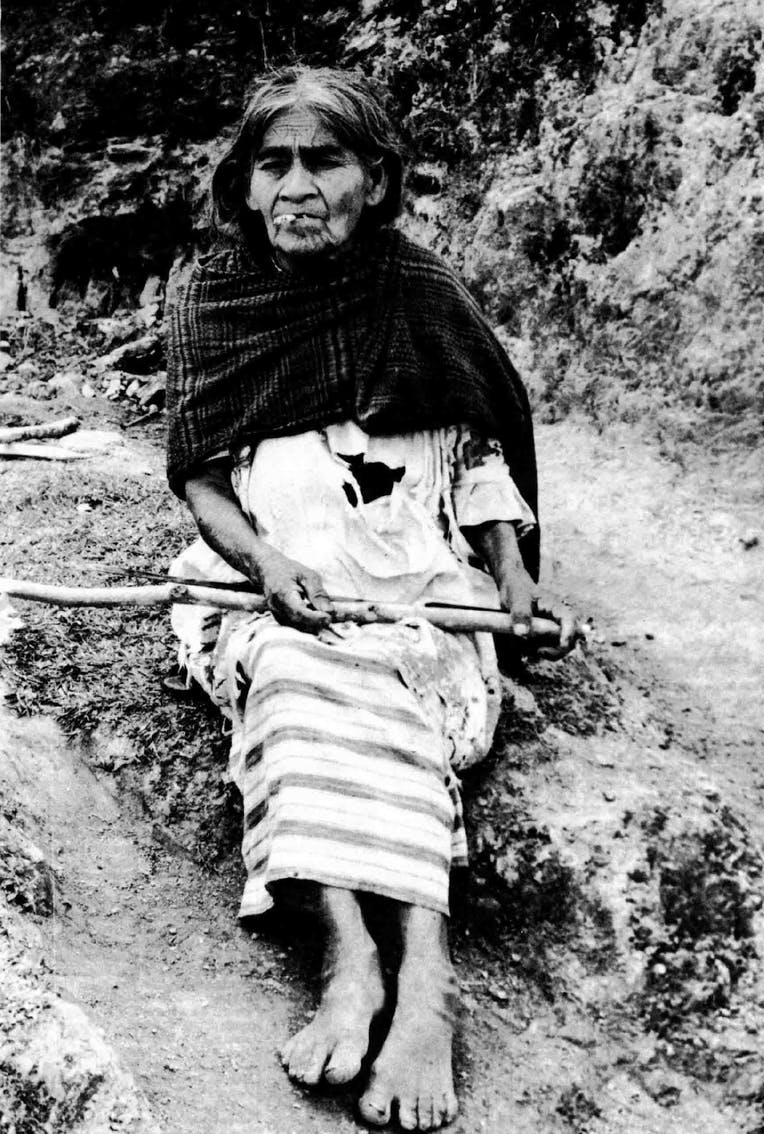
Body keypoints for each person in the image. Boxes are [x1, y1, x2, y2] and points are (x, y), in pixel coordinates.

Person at [166, 65, 577, 1132]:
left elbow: (483, 455)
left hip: (420, 599)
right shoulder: (217, 298)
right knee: (297, 683)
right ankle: (353, 959)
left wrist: (514, 575)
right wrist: (267, 567)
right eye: (275, 164)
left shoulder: (426, 297)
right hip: (273, 596)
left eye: (326, 160)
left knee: (396, 683)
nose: (298, 186)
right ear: (245, 187)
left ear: (379, 180)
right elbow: (202, 476)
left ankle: (426, 976)